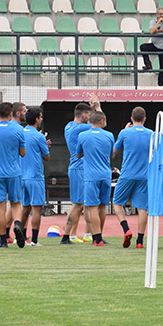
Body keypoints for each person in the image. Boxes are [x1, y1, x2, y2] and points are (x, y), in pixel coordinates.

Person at [111, 107, 153, 249]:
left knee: (116, 203)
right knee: (142, 209)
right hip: (144, 176)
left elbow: (114, 151)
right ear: (145, 119)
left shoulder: (124, 133)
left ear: (131, 118)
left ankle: (126, 229)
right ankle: (140, 241)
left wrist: (124, 131)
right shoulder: (151, 134)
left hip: (127, 175)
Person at [0, 102, 26, 248]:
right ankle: (17, 224)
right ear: (11, 114)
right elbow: (23, 153)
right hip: (14, 172)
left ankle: (3, 241)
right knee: (16, 204)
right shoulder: (18, 129)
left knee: (1, 208)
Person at [76, 111, 115, 247]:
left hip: (91, 177)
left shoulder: (83, 135)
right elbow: (111, 155)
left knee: (92, 207)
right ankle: (100, 237)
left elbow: (78, 154)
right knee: (102, 207)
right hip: (105, 175)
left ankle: (96, 238)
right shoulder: (109, 135)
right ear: (102, 121)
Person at [62, 97, 98, 245]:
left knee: (83, 204)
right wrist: (97, 106)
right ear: (84, 116)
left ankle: (76, 235)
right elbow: (99, 123)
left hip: (79, 168)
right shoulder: (79, 128)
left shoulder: (69, 126)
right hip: (79, 169)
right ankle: (67, 236)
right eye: (88, 116)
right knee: (78, 204)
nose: (89, 119)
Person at [19, 107, 49, 246]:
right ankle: (35, 241)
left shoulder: (20, 133)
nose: (41, 119)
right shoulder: (38, 136)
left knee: (25, 208)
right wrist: (46, 144)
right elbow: (46, 156)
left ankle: (22, 237)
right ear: (37, 119)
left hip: (21, 176)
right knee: (36, 209)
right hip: (35, 176)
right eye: (41, 117)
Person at [140, 7, 163, 87]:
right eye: (160, 14)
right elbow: (151, 31)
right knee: (143, 47)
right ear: (157, 14)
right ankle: (148, 64)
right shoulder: (153, 21)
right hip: (155, 44)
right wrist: (158, 22)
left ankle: (160, 84)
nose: (162, 15)